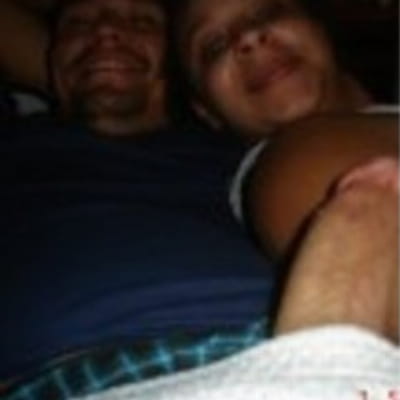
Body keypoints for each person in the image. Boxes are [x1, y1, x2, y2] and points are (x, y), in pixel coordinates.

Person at [1, 0, 278, 396]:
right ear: (51, 56)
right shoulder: (15, 144)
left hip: (280, 344)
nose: (106, 31)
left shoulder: (243, 145)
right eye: (79, 24)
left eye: (140, 22)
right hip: (65, 376)